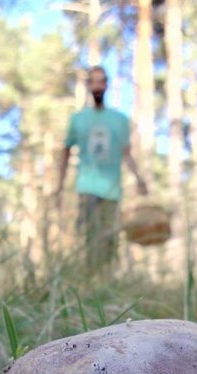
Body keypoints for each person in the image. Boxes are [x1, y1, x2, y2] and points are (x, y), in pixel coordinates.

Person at [54, 66, 149, 275]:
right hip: (87, 187)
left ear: (106, 85)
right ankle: (90, 278)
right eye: (93, 81)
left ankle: (107, 278)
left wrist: (140, 179)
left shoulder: (119, 120)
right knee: (89, 235)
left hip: (112, 189)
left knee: (110, 236)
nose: (97, 86)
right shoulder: (78, 119)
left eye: (101, 81)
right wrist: (58, 188)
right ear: (88, 85)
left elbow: (126, 152)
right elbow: (66, 153)